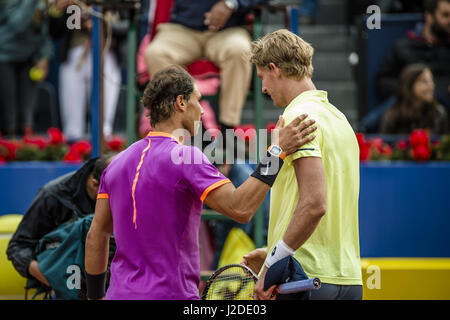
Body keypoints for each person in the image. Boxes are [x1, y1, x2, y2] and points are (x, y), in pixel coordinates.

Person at [84, 65, 317, 300]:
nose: (203, 112)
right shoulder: (187, 157)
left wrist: (95, 297)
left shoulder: (115, 164)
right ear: (181, 103)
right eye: (198, 100)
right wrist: (276, 153)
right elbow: (241, 208)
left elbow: (96, 236)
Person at [242, 29, 363, 300]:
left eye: (262, 77)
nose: (262, 88)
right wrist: (274, 248)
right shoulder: (341, 120)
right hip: (349, 281)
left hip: (303, 279)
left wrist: (275, 262)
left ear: (275, 69)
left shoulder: (296, 118)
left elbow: (314, 204)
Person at [144, 0, 269, 138]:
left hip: (228, 29)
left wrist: (231, 3)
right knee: (156, 53)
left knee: (240, 51)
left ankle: (228, 130)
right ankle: (197, 130)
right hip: (183, 28)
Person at [7, 155, 114, 288]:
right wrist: (54, 279)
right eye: (113, 193)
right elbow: (18, 246)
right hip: (66, 285)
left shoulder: (131, 193)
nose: (121, 197)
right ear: (94, 183)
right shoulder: (53, 195)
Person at [48, 1, 125, 141]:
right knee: (72, 126)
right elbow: (55, 31)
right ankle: (74, 152)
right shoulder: (73, 5)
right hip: (74, 54)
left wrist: (100, 24)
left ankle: (103, 154)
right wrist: (60, 9)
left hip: (106, 53)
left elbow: (126, 26)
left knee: (104, 125)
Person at [376, 0, 450, 113]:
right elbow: (383, 82)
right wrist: (412, 90)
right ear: (429, 16)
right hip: (412, 113)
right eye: (445, 15)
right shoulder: (403, 47)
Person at [0, 0, 53, 137]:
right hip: (4, 58)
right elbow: (17, 25)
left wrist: (44, 57)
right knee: (9, 113)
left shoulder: (41, 5)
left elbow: (45, 33)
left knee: (27, 115)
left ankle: (27, 148)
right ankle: (9, 148)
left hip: (30, 58)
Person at [381, 63, 448, 134]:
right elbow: (385, 143)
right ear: (409, 85)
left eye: (431, 80)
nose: (431, 85)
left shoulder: (439, 113)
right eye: (424, 81)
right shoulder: (392, 116)